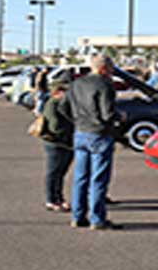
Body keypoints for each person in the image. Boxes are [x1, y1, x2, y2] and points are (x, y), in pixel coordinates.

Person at [63, 53, 120, 230]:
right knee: (98, 179)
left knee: (80, 177)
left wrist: (77, 120)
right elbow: (107, 114)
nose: (112, 72)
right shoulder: (105, 86)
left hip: (80, 131)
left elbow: (64, 106)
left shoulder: (76, 84)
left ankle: (78, 216)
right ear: (104, 68)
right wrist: (119, 118)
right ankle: (97, 219)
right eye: (111, 69)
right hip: (99, 134)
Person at [41, 79, 74, 213]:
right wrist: (69, 131)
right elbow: (55, 126)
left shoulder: (61, 104)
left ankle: (58, 198)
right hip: (56, 143)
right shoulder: (53, 104)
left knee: (60, 173)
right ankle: (52, 200)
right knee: (54, 173)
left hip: (63, 143)